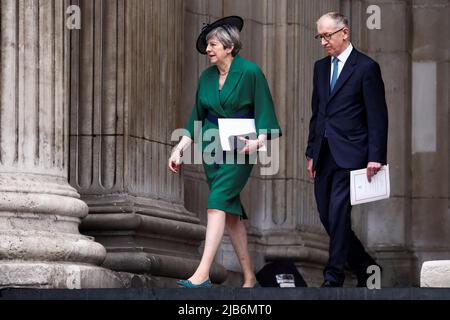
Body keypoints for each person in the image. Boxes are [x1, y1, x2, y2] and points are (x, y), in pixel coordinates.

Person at [168, 16, 281, 288]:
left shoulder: (251, 72)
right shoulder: (206, 77)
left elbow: (266, 112)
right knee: (230, 215)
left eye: (213, 44)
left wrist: (259, 142)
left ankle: (202, 273)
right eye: (208, 44)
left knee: (217, 203)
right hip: (211, 149)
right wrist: (179, 149)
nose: (208, 49)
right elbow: (196, 117)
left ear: (229, 47)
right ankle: (250, 277)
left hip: (241, 148)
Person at [305, 12, 388, 287]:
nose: (323, 42)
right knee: (327, 216)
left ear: (345, 32)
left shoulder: (366, 67)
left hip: (352, 153)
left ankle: (334, 276)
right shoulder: (319, 68)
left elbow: (377, 116)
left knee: (339, 211)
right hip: (324, 153)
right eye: (320, 37)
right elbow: (318, 113)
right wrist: (311, 152)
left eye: (328, 35)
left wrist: (376, 156)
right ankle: (365, 267)